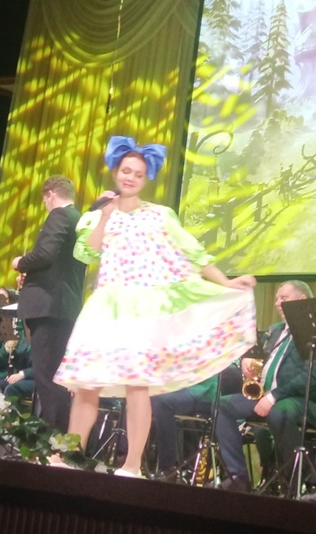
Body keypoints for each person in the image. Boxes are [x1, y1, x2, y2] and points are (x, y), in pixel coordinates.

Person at [53, 136, 257, 478]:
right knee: (86, 383)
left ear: (146, 179)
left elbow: (193, 253)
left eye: (138, 173)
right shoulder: (99, 214)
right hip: (104, 307)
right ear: (115, 172)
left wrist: (226, 282)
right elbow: (87, 252)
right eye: (126, 171)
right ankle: (69, 453)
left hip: (141, 310)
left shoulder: (159, 216)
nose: (130, 177)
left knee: (138, 386)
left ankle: (132, 464)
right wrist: (104, 216)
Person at [215, 280, 316, 493]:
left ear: (302, 300)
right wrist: (248, 362)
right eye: (276, 298)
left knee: (279, 412)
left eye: (284, 298)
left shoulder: (311, 332)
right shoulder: (274, 330)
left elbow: (311, 375)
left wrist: (274, 396)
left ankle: (302, 479)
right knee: (222, 406)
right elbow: (258, 357)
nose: (278, 303)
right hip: (266, 395)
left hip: (299, 398)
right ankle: (237, 477)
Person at [12, 175, 86, 431]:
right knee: (54, 377)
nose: (45, 205)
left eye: (44, 200)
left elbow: (46, 254)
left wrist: (21, 263)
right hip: (63, 307)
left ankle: (54, 439)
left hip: (49, 307)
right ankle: (57, 438)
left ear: (50, 194)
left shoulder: (60, 215)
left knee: (47, 377)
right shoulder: (79, 220)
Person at [150, 363, 242, 481]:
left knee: (162, 402)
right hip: (188, 383)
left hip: (209, 390)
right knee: (146, 394)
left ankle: (167, 468)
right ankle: (142, 462)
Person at [0, 287, 35, 407]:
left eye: (3, 299)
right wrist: (5, 350)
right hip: (2, 375)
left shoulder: (23, 328)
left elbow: (38, 363)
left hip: (22, 375)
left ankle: (8, 418)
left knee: (9, 388)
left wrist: (22, 374)